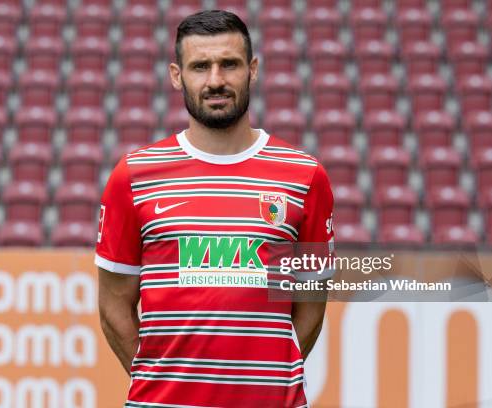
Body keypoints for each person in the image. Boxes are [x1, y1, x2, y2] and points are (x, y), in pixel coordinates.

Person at [96, 10, 334, 407]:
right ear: (177, 76)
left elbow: (310, 306)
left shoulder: (305, 176)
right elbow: (113, 306)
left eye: (230, 64)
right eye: (200, 66)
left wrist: (264, 381)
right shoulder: (133, 176)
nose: (215, 80)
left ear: (252, 70)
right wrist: (163, 382)